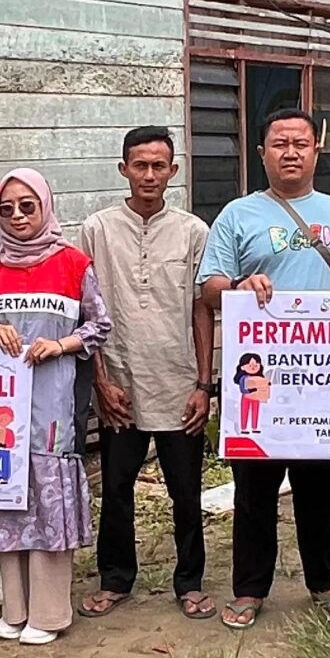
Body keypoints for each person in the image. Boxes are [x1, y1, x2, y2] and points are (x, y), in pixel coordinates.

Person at [197, 106, 330, 630]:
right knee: (254, 488)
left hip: (323, 383)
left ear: (316, 152)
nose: (291, 152)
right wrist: (239, 285)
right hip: (258, 381)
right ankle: (250, 589)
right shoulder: (238, 215)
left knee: (321, 489)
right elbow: (209, 288)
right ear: (262, 154)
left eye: (301, 143)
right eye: (280, 144)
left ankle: (324, 582)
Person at [77, 126, 215, 620]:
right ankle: (115, 578)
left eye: (159, 166)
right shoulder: (97, 229)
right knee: (116, 488)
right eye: (140, 165)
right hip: (121, 382)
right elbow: (87, 309)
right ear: (124, 169)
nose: (150, 174)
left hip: (178, 382)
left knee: (186, 490)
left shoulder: (193, 231)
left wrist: (204, 385)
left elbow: (201, 309)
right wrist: (100, 381)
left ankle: (190, 582)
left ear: (173, 171)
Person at [0, 169, 108, 645]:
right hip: (2, 406)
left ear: (45, 207)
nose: (18, 216)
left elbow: (99, 325)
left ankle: (48, 613)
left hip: (52, 401)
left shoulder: (74, 263)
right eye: (6, 209)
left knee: (48, 503)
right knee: (6, 497)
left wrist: (61, 344)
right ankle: (14, 608)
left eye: (27, 206)